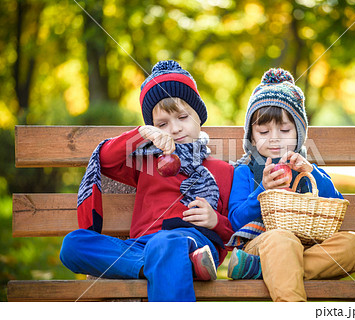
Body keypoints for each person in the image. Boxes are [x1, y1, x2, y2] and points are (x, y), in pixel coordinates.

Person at [59, 60, 234, 302]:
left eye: (183, 117)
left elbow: (231, 232)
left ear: (198, 117)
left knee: (167, 243)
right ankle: (166, 266)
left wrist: (215, 220)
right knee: (73, 245)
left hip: (192, 241)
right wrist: (140, 134)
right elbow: (107, 161)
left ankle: (170, 261)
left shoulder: (221, 170)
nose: (174, 128)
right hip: (141, 246)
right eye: (162, 124)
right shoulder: (146, 162)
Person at [226, 68, 355, 302]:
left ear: (299, 134)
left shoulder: (306, 169)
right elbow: (234, 220)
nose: (274, 138)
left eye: (284, 130)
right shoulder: (245, 172)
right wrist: (263, 191)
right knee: (282, 238)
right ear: (251, 136)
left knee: (354, 245)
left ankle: (264, 269)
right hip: (262, 245)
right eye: (263, 131)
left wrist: (311, 171)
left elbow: (335, 201)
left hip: (307, 246)